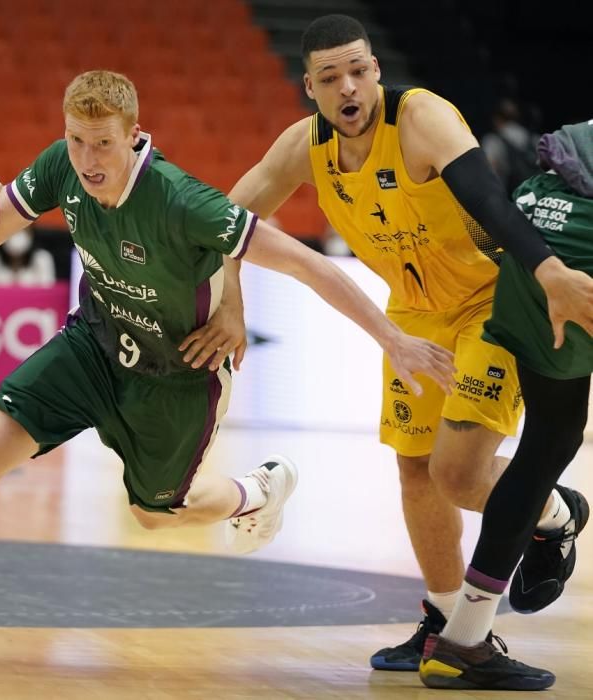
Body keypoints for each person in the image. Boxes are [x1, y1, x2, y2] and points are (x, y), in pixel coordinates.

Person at [0, 70, 455, 659]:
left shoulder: (181, 202)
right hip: (92, 343)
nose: (87, 160)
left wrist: (391, 339)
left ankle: (256, 491)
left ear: (134, 136)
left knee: (154, 512)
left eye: (101, 145)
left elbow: (308, 264)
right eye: (76, 141)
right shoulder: (62, 165)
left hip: (177, 375)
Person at [225, 14, 593, 671]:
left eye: (360, 70)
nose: (349, 88)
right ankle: (443, 619)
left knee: (457, 475)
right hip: (413, 315)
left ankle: (556, 513)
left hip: (489, 302)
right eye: (330, 77)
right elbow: (222, 223)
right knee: (415, 469)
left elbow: (489, 201)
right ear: (309, 87)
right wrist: (227, 298)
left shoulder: (421, 117)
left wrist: (547, 271)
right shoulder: (299, 147)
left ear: (375, 71)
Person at [419, 120, 593, 691]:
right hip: (571, 251)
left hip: (533, 226)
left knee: (545, 444)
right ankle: (464, 638)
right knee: (518, 453)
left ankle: (463, 639)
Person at [481, 97, 540, 197]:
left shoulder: (492, 141)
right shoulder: (535, 139)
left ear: (497, 119)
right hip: (537, 200)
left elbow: (490, 173)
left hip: (510, 202)